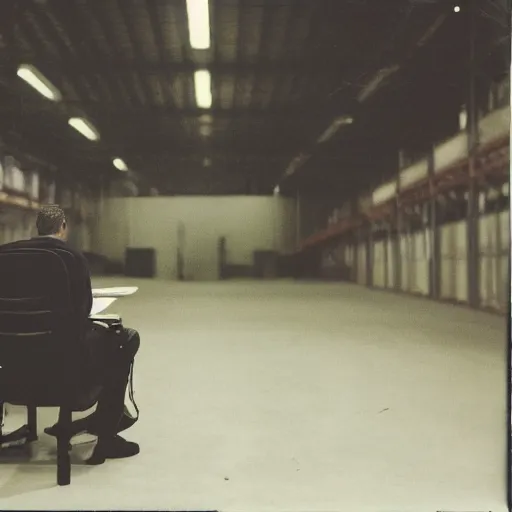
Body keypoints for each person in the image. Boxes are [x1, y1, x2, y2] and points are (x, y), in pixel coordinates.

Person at [0, 205, 140, 465]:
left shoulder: (5, 254)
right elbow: (82, 312)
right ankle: (106, 437)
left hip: (9, 367)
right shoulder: (70, 257)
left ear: (36, 227)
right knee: (125, 339)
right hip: (61, 368)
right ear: (63, 226)